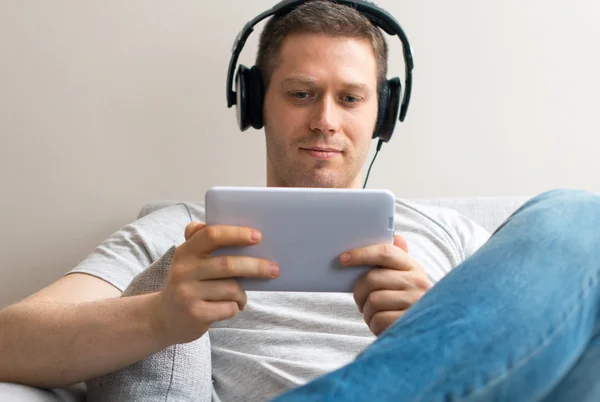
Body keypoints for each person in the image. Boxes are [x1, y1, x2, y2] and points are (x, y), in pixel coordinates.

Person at [0, 1, 599, 401]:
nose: (324, 121)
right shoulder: (181, 232)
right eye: (301, 93)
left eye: (350, 99)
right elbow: (10, 341)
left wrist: (439, 323)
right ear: (256, 101)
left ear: (383, 114)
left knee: (578, 216)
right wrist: (160, 317)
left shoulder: (454, 236)